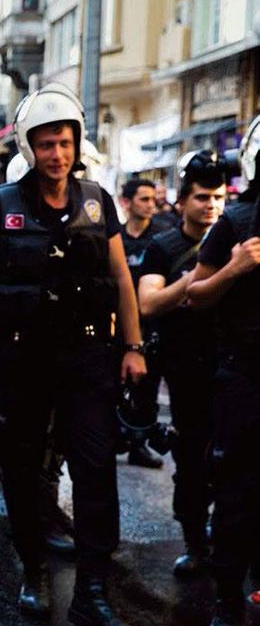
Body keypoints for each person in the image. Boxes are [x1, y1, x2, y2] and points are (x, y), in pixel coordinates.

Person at [0, 82, 145, 626]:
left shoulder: (96, 200)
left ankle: (93, 589)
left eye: (65, 143)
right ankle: (34, 569)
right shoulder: (4, 205)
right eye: (46, 144)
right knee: (22, 472)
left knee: (95, 472)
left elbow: (120, 278)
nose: (57, 154)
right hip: (22, 361)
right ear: (28, 146)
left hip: (89, 357)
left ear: (76, 142)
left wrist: (133, 347)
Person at [187, 116, 260, 626]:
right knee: (237, 491)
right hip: (245, 377)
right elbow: (195, 294)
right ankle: (228, 604)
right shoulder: (237, 220)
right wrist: (236, 268)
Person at [138, 150, 225, 578]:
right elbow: (148, 302)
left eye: (218, 198)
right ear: (184, 201)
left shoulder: (238, 236)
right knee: (192, 458)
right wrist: (193, 280)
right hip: (185, 367)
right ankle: (195, 541)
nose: (211, 206)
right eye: (203, 197)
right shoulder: (165, 246)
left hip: (233, 365)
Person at [119, 178, 171, 469]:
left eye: (153, 199)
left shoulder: (163, 237)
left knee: (147, 386)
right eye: (144, 199)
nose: (151, 205)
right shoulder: (116, 238)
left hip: (152, 325)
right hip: (119, 324)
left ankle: (139, 442)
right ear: (127, 202)